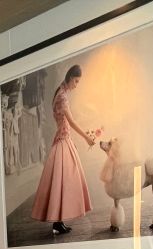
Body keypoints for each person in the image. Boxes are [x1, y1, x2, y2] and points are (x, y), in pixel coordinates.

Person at [30, 64, 94, 235]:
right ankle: (57, 222)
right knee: (64, 180)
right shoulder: (62, 96)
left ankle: (59, 222)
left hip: (64, 139)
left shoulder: (60, 91)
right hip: (63, 141)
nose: (76, 85)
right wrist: (86, 137)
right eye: (76, 81)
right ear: (70, 77)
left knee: (63, 182)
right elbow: (71, 122)